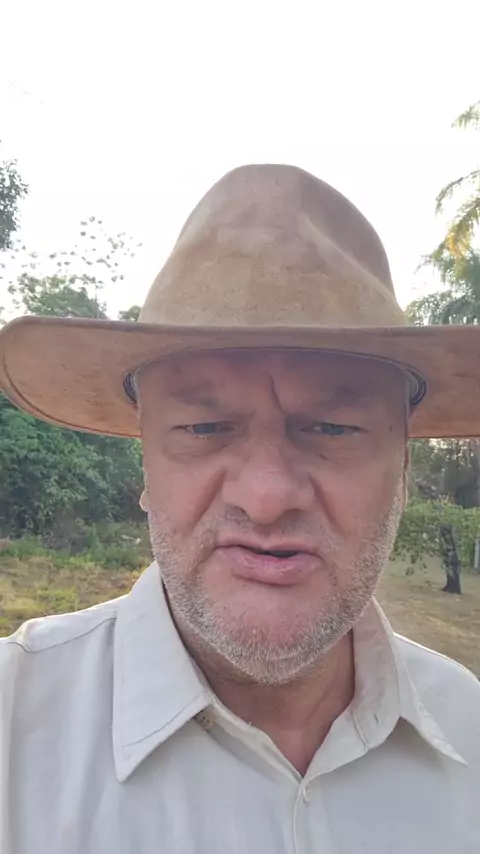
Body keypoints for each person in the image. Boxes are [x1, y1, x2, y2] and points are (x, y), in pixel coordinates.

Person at [0, 164, 479, 854]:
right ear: (146, 464)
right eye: (203, 427)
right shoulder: (14, 731)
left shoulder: (467, 730)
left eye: (332, 428)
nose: (266, 497)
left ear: (402, 468)